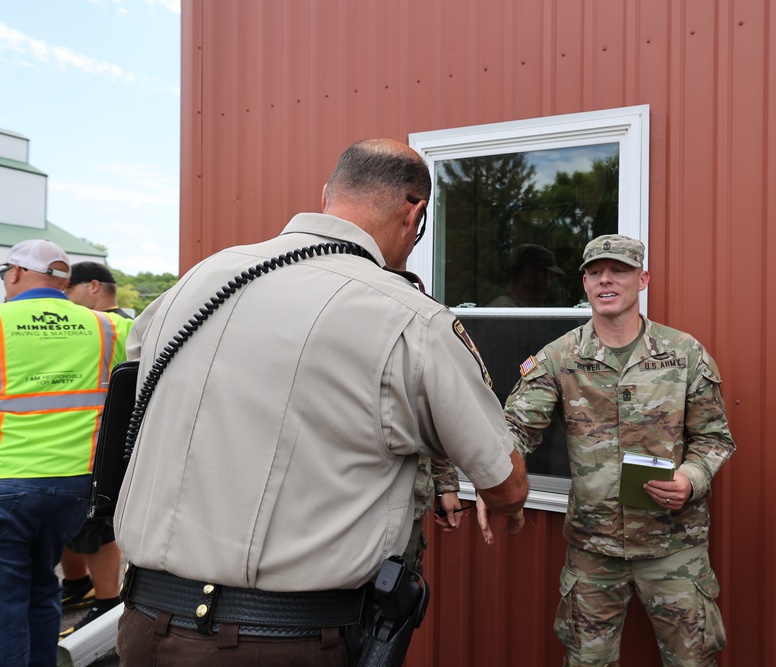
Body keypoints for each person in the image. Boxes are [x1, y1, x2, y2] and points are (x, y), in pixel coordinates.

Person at [114, 138, 529, 666]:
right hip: (281, 643)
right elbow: (505, 482)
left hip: (145, 626)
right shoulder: (409, 318)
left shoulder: (196, 281)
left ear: (328, 194)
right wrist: (508, 505)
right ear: (415, 213)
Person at [485, 234, 735, 667]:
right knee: (586, 662)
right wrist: (492, 478)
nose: (606, 280)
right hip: (593, 550)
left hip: (673, 547)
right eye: (595, 272)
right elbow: (515, 432)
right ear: (584, 283)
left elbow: (715, 438)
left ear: (642, 279)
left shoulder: (683, 353)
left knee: (693, 661)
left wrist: (691, 480)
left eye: (619, 270)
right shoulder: (559, 358)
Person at [0, 240, 124, 666]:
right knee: (41, 586)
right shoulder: (107, 327)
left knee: (6, 599)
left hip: (8, 483)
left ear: (15, 273)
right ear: (63, 280)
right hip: (75, 488)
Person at [58, 261, 135, 637]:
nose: (64, 299)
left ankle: (107, 607)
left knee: (96, 528)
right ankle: (77, 587)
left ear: (92, 287)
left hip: (103, 446)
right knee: (77, 529)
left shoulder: (118, 327)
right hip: (81, 445)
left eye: (68, 290)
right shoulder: (99, 327)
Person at [402, 457, 465, 575]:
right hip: (362, 510)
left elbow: (433, 440)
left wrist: (448, 486)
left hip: (408, 513)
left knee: (399, 584)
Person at [488, 243, 565, 307]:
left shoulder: (518, 309)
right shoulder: (507, 312)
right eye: (548, 277)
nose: (549, 284)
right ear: (531, 274)